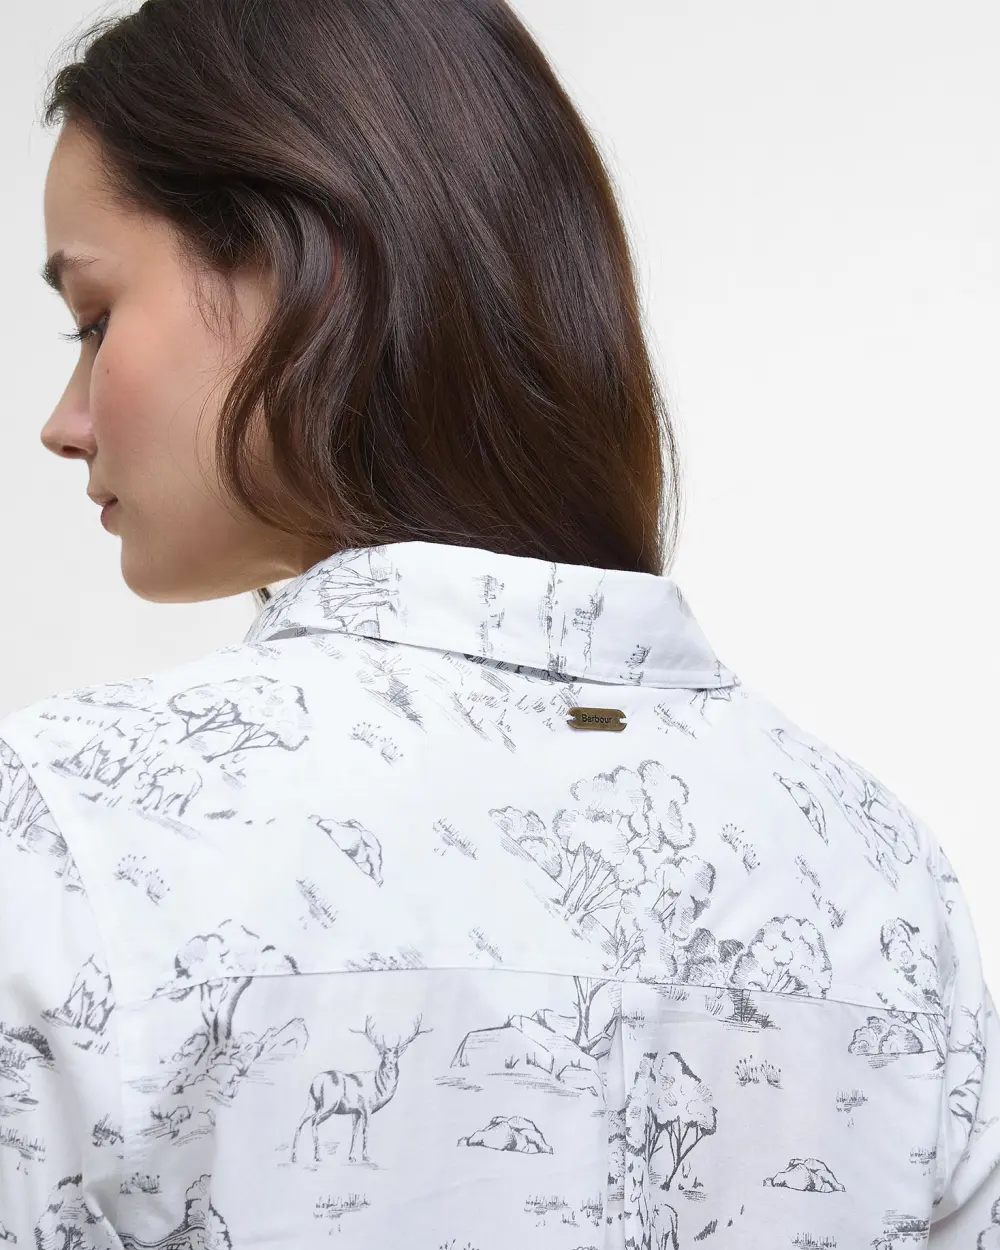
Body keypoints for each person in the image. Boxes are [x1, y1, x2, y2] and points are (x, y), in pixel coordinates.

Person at [1, 0, 995, 1245]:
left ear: (303, 269)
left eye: (96, 318)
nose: (64, 420)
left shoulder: (65, 823)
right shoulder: (878, 872)